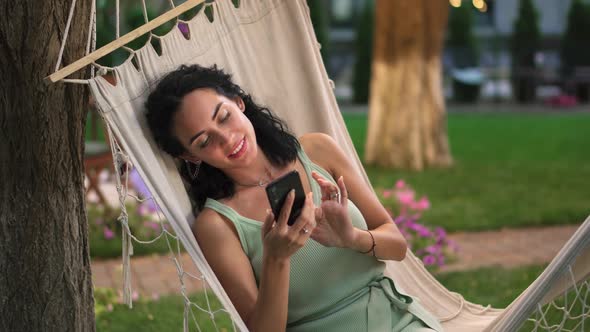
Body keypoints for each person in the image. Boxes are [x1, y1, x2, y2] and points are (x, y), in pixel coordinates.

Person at [146, 64, 443, 332]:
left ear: (239, 103)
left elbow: (398, 247)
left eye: (224, 117)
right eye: (204, 141)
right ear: (189, 156)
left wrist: (351, 237)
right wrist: (277, 258)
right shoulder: (218, 225)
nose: (227, 139)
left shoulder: (318, 151)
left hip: (396, 321)